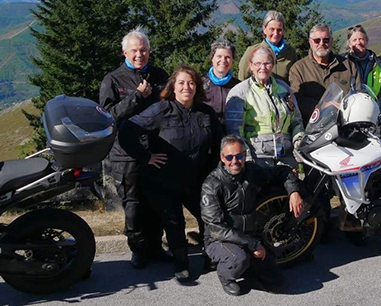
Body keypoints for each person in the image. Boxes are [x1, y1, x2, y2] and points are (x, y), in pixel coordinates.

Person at [119, 65, 220, 281]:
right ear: (173, 87)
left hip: (195, 180)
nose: (187, 87)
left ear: (197, 87)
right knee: (174, 224)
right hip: (163, 181)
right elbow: (127, 130)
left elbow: (219, 143)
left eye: (191, 83)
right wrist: (146, 157)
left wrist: (212, 172)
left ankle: (210, 256)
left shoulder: (206, 113)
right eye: (182, 83)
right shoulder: (160, 110)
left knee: (209, 218)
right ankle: (181, 263)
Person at [99, 29, 169, 269]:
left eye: (144, 50)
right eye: (135, 50)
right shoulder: (113, 79)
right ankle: (138, 250)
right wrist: (136, 98)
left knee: (156, 201)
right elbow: (107, 116)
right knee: (133, 205)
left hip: (156, 151)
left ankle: (156, 246)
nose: (139, 54)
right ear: (124, 52)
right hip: (125, 154)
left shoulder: (159, 75)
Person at [201, 135, 303, 296]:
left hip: (249, 235)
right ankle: (225, 275)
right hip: (220, 240)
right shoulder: (211, 185)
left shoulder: (252, 171)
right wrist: (253, 244)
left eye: (239, 155)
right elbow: (216, 229)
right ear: (222, 157)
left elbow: (282, 171)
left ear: (245, 154)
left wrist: (294, 191)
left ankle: (247, 269)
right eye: (229, 157)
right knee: (238, 259)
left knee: (277, 283)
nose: (235, 161)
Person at [225, 47, 303, 169]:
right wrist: (247, 160)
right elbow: (235, 133)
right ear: (251, 66)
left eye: (267, 63)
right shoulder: (240, 92)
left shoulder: (284, 89)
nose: (263, 68)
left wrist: (299, 143)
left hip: (285, 156)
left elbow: (296, 120)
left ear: (272, 65)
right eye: (258, 64)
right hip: (258, 158)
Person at [289, 23, 358, 125]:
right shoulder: (298, 69)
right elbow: (296, 98)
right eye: (317, 41)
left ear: (331, 41)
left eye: (326, 40)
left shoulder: (348, 66)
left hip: (344, 126)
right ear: (310, 42)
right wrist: (321, 106)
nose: (321, 44)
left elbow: (358, 93)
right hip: (311, 128)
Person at [237, 10, 298, 81]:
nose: (276, 33)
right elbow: (242, 79)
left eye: (279, 30)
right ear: (264, 29)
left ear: (283, 30)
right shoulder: (252, 51)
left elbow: (294, 80)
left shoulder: (290, 52)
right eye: (272, 29)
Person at [345, 25, 381, 116]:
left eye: (361, 39)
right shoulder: (343, 63)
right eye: (354, 40)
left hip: (373, 113)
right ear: (349, 44)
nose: (358, 42)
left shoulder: (379, 64)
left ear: (366, 41)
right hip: (349, 114)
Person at [203, 39, 240, 123]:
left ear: (232, 60)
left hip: (230, 133)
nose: (223, 60)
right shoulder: (200, 83)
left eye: (227, 57)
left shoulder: (239, 86)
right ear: (212, 58)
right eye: (219, 56)